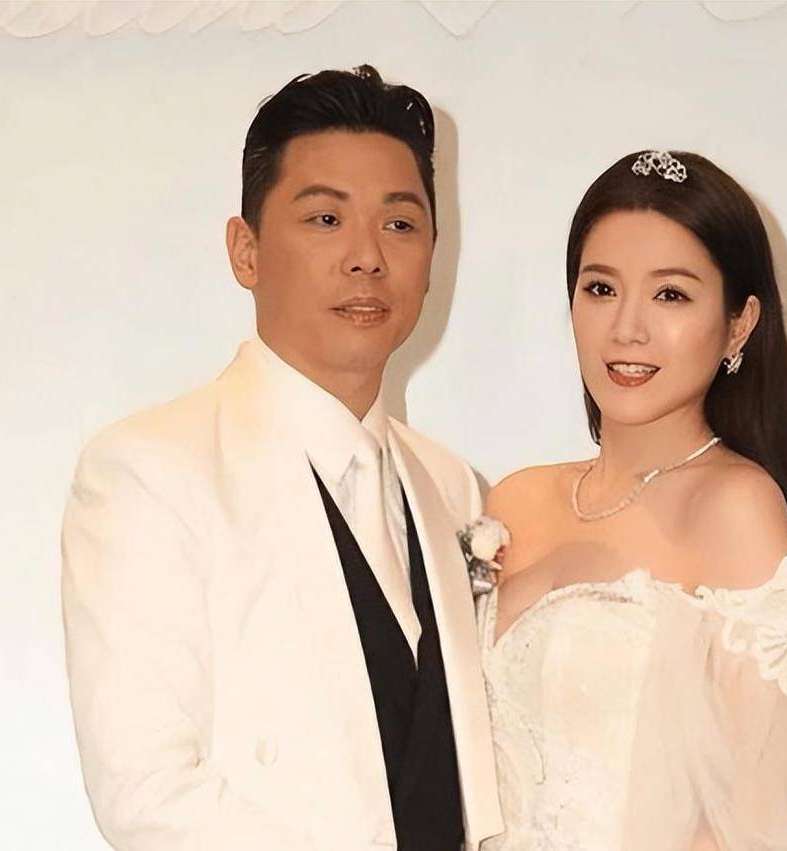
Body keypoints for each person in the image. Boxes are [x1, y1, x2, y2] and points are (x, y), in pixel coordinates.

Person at [61, 66, 502, 850]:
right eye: (326, 218)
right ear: (246, 250)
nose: (367, 257)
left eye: (400, 224)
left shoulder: (454, 487)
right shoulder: (150, 470)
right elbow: (147, 793)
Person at [473, 150, 787, 849]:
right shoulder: (516, 498)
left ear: (739, 324)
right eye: (601, 288)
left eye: (670, 295)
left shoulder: (737, 508)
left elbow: (764, 817)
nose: (627, 327)